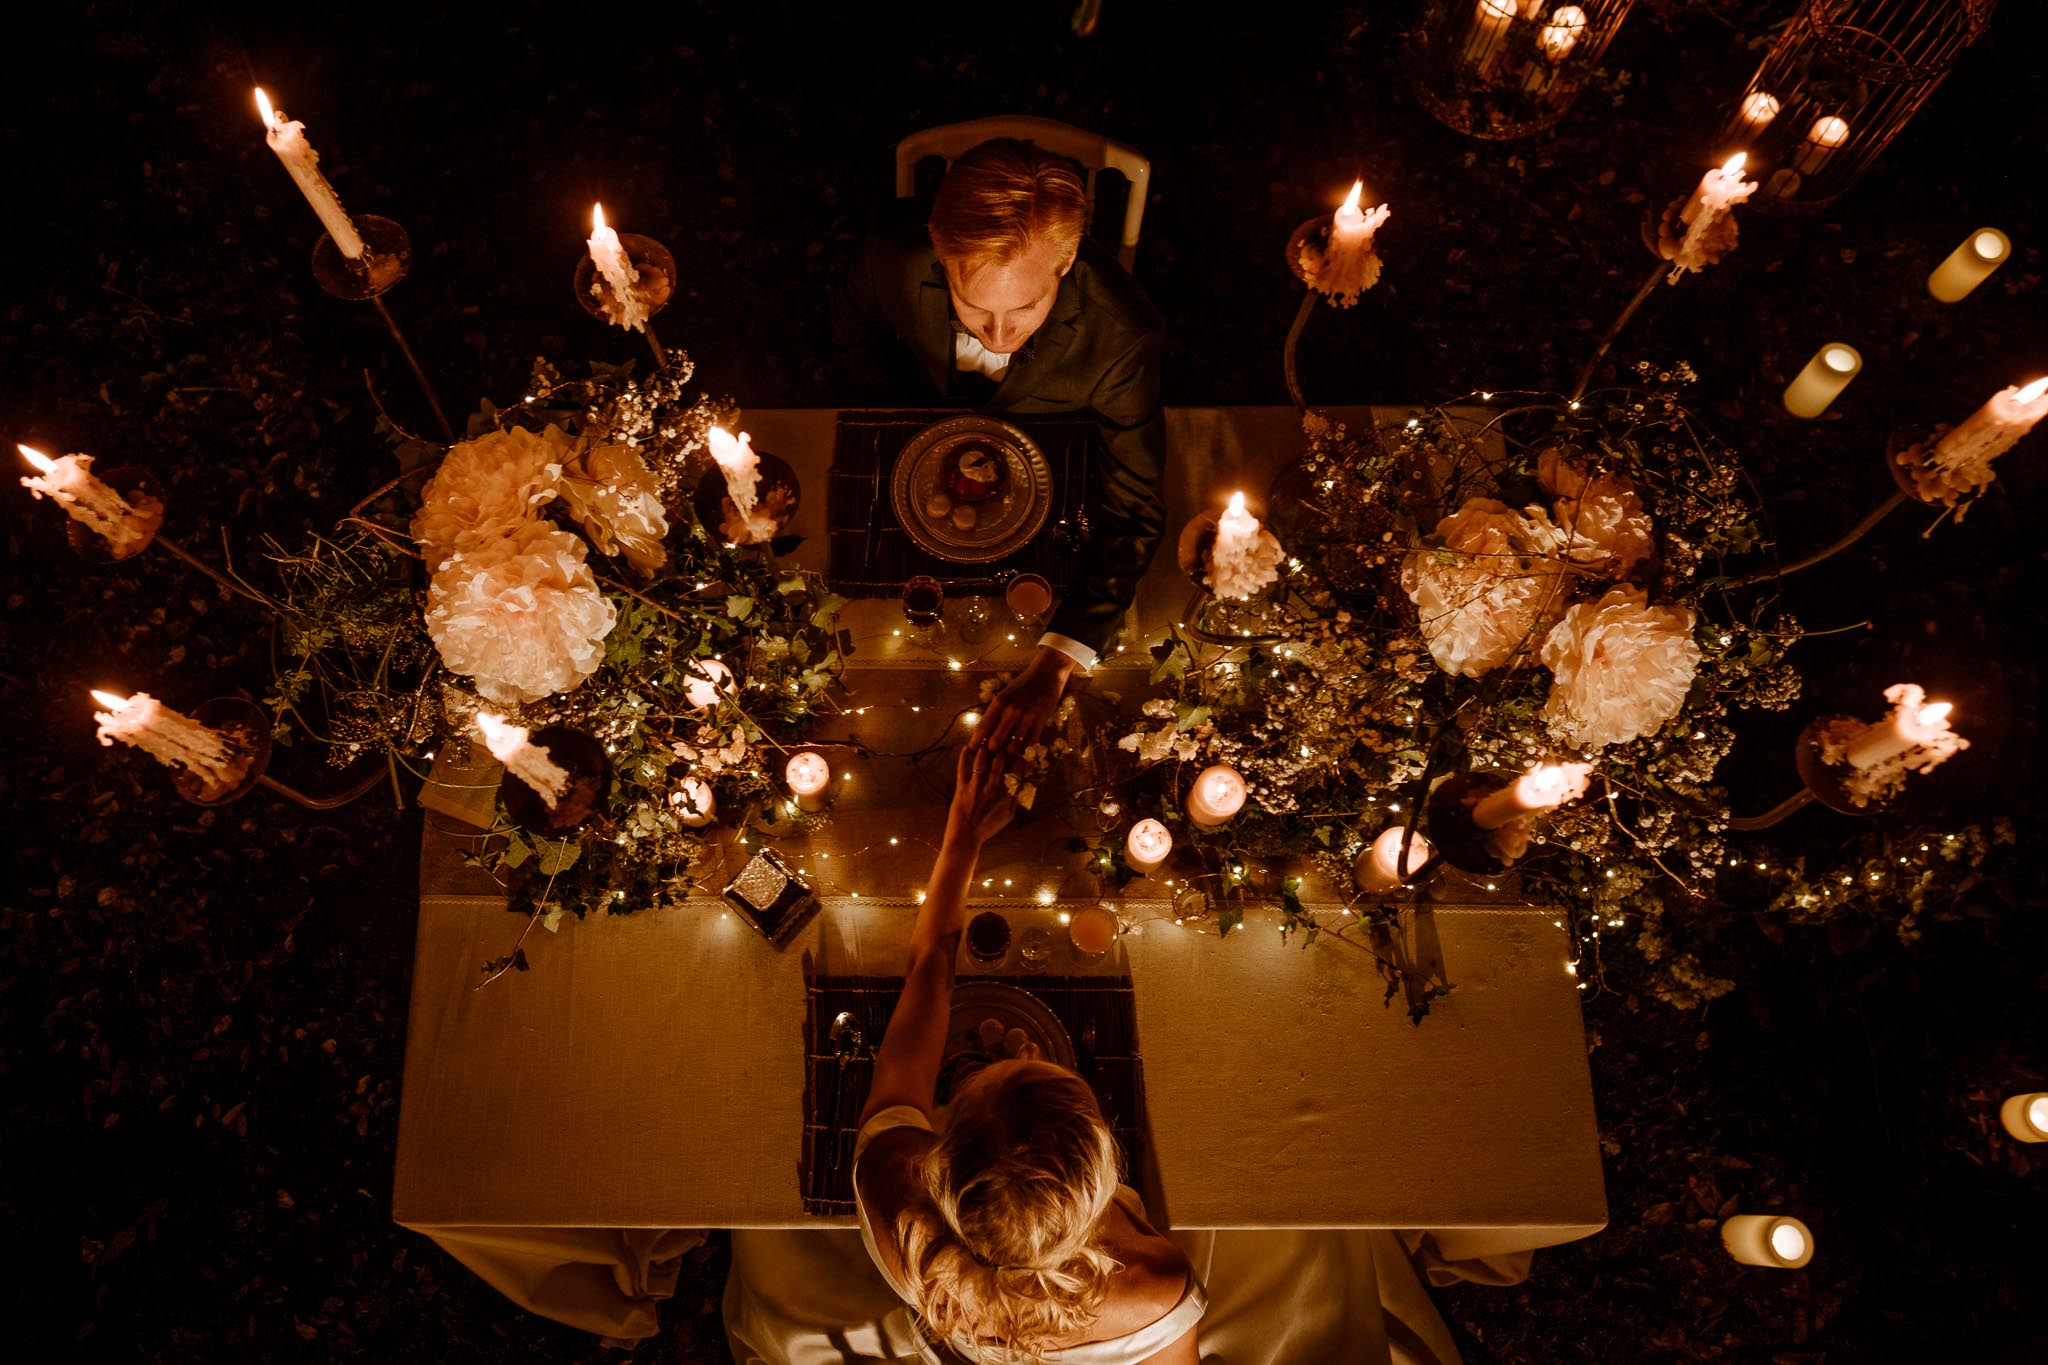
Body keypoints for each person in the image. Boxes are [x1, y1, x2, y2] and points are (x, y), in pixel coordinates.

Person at [850, 745, 1204, 1364]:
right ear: (1101, 1175)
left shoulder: (892, 1186)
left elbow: (930, 968)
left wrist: (961, 833)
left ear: (939, 1150)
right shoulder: (1155, 1281)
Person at [832, 138, 1166, 756]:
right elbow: (855, 336)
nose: (999, 334)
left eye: (1026, 307)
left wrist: (1056, 661)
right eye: (974, 306)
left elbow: (1135, 511)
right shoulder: (890, 254)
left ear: (1064, 266)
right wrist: (903, 417)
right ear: (940, 255)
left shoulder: (1122, 336)